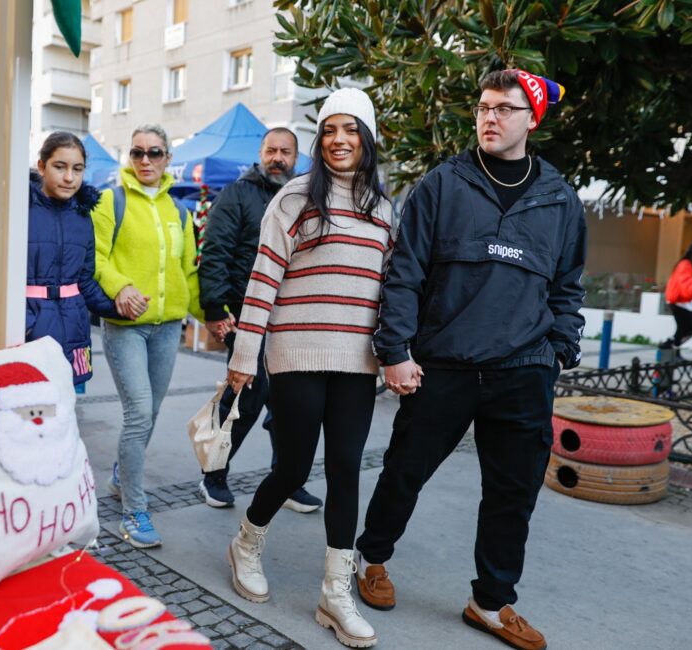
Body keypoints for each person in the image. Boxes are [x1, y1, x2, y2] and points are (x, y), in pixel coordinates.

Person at [354, 70, 586, 650]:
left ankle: (490, 601)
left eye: (505, 109)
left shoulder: (559, 198)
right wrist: (396, 351)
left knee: (513, 493)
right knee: (405, 471)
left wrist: (558, 349)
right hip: (445, 365)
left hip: (524, 369)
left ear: (532, 119)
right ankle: (371, 560)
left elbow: (569, 285)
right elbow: (404, 274)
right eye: (484, 107)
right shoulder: (443, 185)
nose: (490, 118)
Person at [224, 88, 392, 648]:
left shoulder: (384, 210)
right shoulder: (294, 199)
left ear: (368, 139)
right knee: (293, 469)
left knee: (346, 469)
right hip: (295, 356)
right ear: (320, 140)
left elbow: (392, 293)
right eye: (329, 130)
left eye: (351, 130)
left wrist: (398, 355)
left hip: (357, 362)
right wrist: (245, 355)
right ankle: (247, 542)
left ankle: (334, 593)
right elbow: (263, 279)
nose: (339, 140)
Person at [197, 127, 322, 513]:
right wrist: (215, 308)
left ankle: (286, 480)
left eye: (285, 152)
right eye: (271, 150)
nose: (277, 158)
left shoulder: (304, 198)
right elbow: (215, 251)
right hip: (247, 312)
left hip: (294, 317)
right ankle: (213, 473)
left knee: (292, 403)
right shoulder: (237, 194)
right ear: (261, 153)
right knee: (248, 396)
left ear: (296, 157)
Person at [93, 124, 203, 549]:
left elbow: (188, 273)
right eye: (136, 152)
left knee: (151, 412)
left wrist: (211, 318)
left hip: (167, 328)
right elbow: (97, 259)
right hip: (126, 328)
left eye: (154, 153)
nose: (144, 160)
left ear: (167, 159)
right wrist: (121, 287)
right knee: (139, 412)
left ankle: (123, 472)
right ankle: (134, 510)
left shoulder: (180, 213)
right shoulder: (110, 201)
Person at [0, 132, 123, 368]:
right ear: (42, 167)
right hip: (27, 336)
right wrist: (22, 325)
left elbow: (85, 281)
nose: (69, 177)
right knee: (28, 403)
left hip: (75, 333)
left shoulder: (83, 217)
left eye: (78, 169)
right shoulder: (13, 210)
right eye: (60, 167)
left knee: (69, 403)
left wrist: (118, 309)